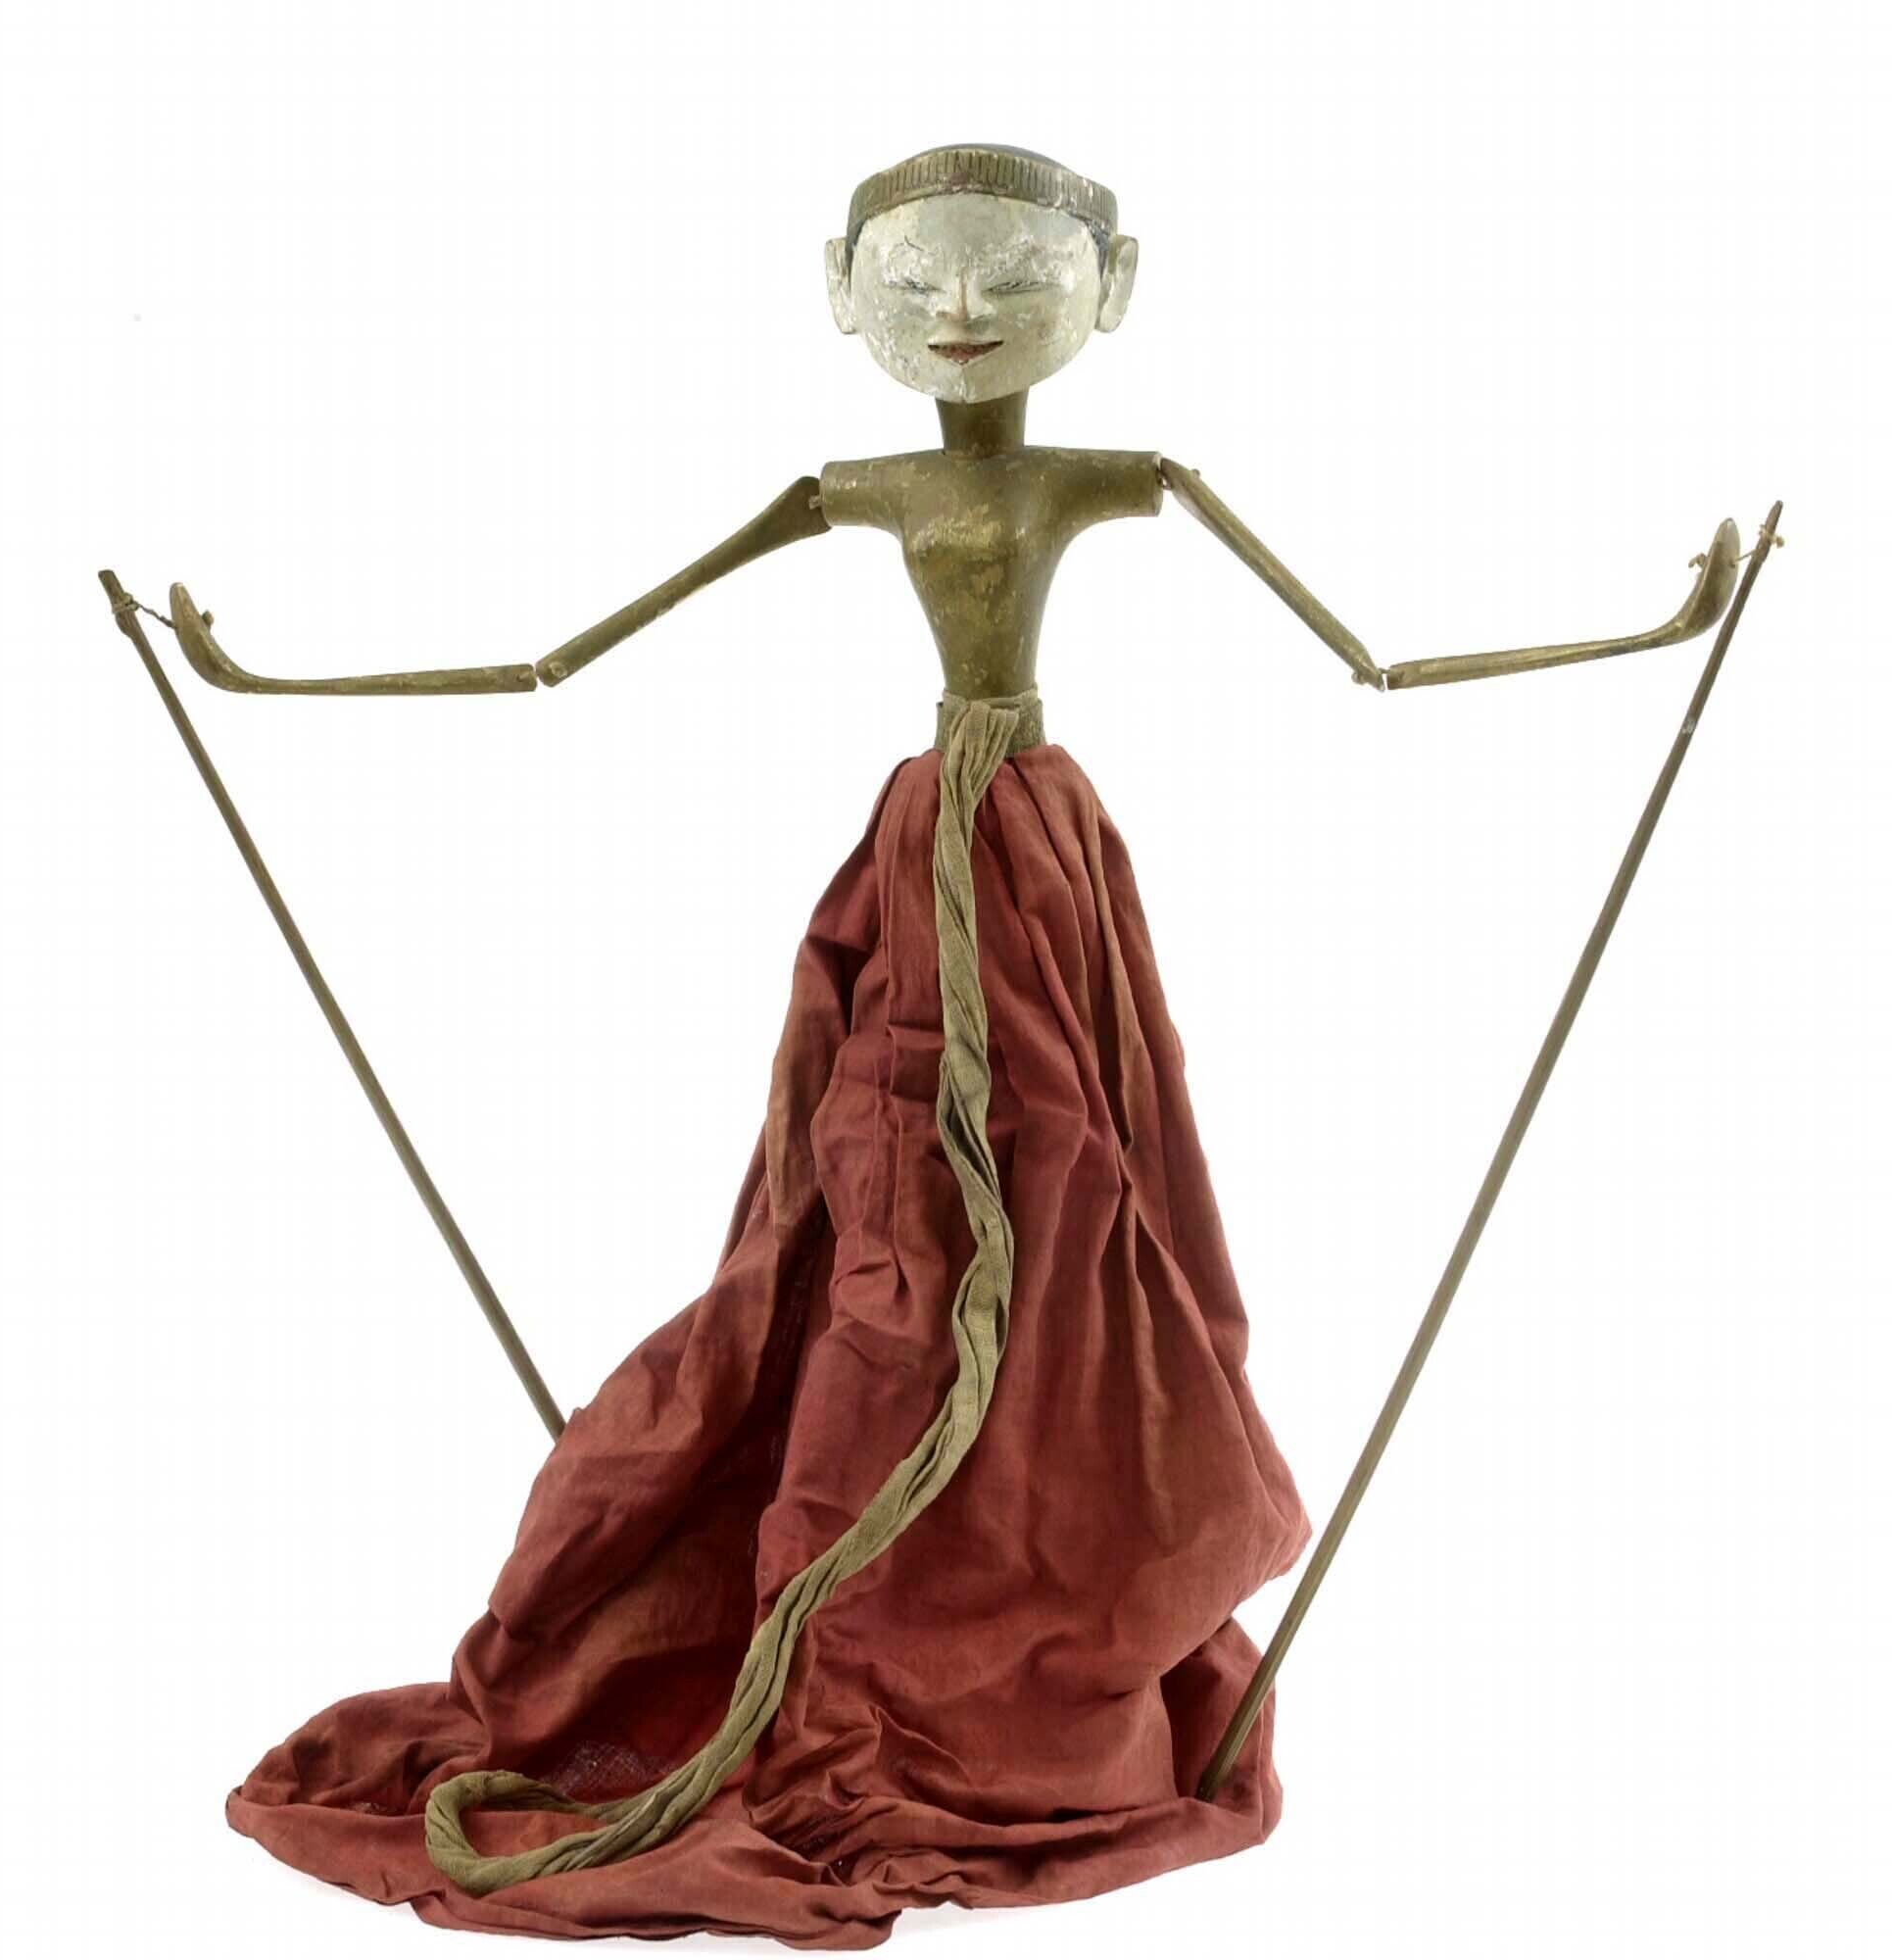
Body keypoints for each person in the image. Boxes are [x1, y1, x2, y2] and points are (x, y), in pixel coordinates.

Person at [199, 145, 1738, 1946]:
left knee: (1072, 1204)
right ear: (839, 291)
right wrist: (248, 683)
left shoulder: (1111, 478)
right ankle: (853, 1570)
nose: (959, 314)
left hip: (1033, 862)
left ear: (1112, 287)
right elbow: (556, 664)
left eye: (1014, 277)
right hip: (925, 852)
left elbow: (1374, 664)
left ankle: (1007, 1576)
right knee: (873, 1210)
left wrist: (1661, 631)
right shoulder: (856, 487)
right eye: (914, 281)